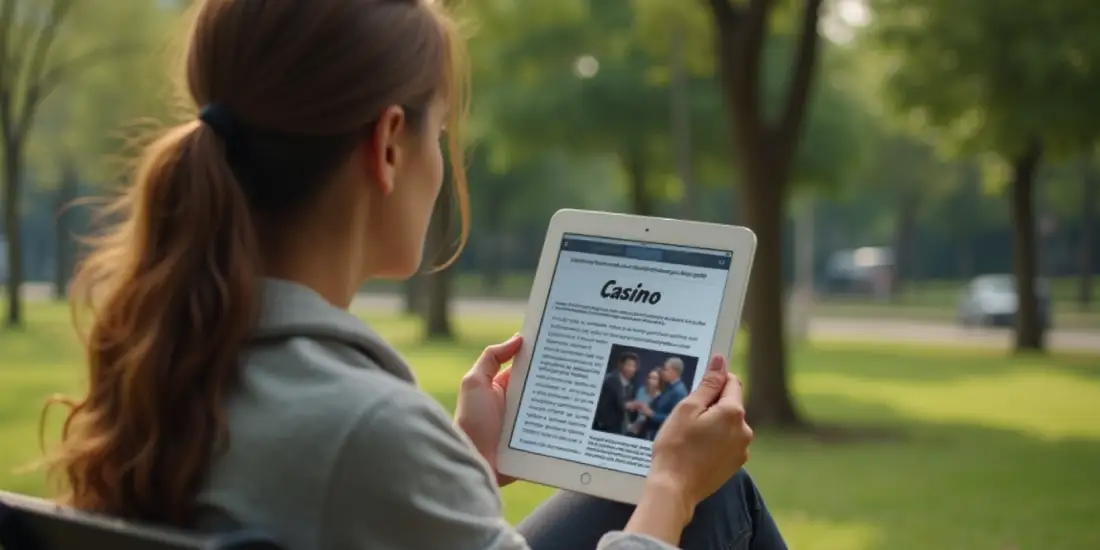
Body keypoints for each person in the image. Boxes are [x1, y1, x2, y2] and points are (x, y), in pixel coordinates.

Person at [40, 1, 787, 549]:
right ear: (390, 145)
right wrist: (670, 486)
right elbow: (353, 462)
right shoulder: (367, 430)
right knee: (716, 497)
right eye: (440, 131)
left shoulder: (171, 359)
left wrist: (461, 460)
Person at [637, 357, 690, 440]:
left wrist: (652, 414)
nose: (662, 372)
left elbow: (675, 419)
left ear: (674, 371)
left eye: (665, 369)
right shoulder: (669, 386)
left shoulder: (679, 392)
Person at [593, 352, 638, 435]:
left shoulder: (630, 386)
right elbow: (620, 403)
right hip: (603, 426)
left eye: (634, 366)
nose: (631, 369)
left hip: (617, 426)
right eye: (628, 365)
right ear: (621, 365)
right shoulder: (611, 379)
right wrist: (633, 405)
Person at [627, 369, 662, 437]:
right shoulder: (641, 390)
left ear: (659, 382)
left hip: (648, 430)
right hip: (633, 425)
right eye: (649, 377)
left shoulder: (660, 397)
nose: (650, 380)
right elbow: (634, 409)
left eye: (654, 379)